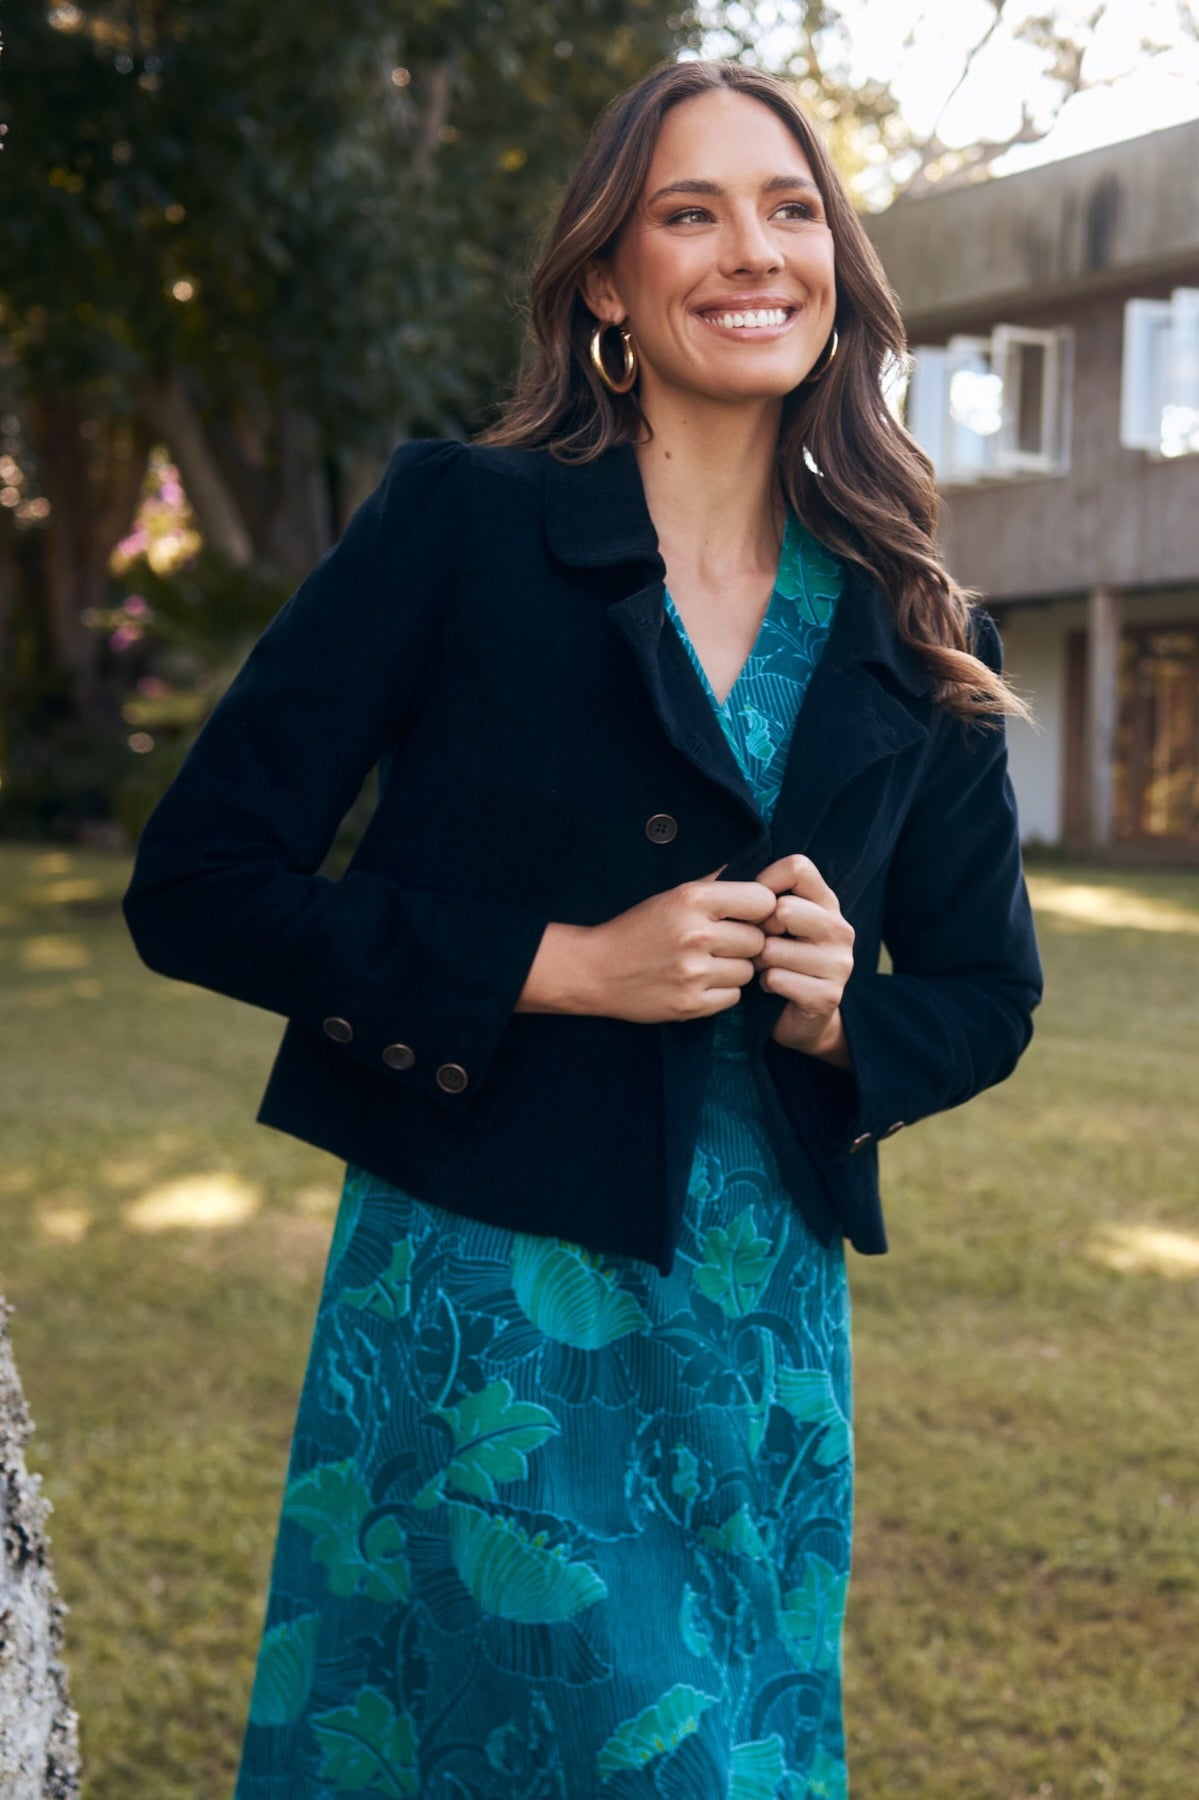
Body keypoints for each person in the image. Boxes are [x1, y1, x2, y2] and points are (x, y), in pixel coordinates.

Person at [122, 57, 1043, 1800]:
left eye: (788, 211)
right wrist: (564, 966)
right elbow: (200, 879)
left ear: (838, 264)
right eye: (686, 214)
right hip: (479, 1307)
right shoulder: (461, 524)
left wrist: (848, 1013)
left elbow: (990, 994)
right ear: (608, 282)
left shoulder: (921, 623)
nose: (749, 253)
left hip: (756, 1342)